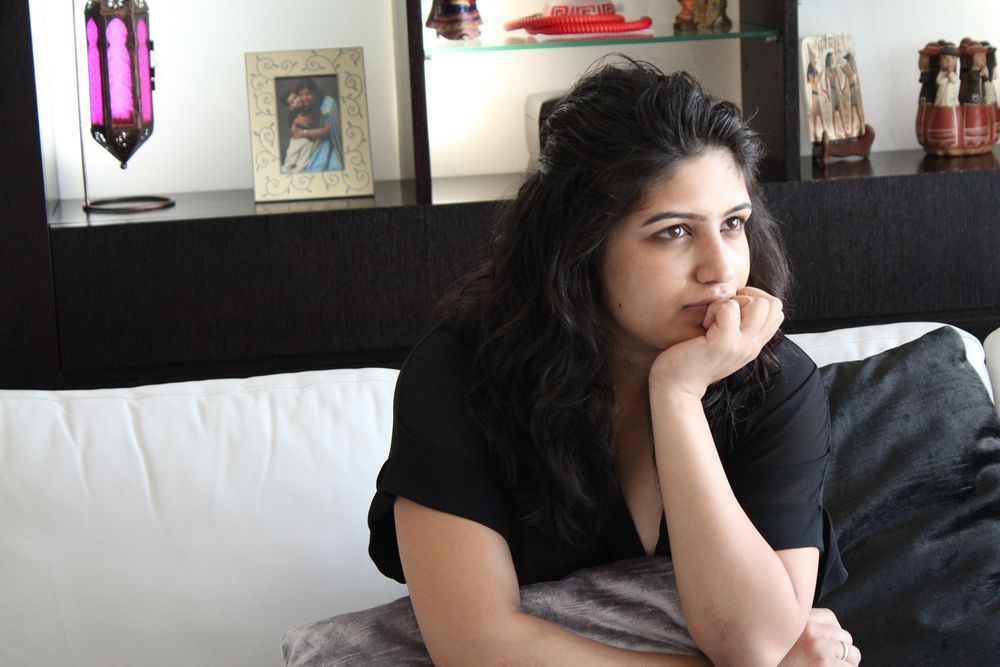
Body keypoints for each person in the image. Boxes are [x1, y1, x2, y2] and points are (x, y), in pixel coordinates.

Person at [368, 57, 859, 666]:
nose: (722, 268)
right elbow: (476, 647)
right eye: (674, 231)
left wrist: (677, 396)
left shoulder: (776, 380)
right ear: (583, 245)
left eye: (733, 223)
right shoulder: (458, 375)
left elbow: (754, 642)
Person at [289, 78, 343, 173]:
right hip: (308, 144)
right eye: (301, 94)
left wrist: (303, 132)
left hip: (328, 144)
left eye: (308, 94)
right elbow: (294, 134)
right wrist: (296, 122)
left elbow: (327, 131)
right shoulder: (301, 105)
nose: (305, 98)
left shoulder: (328, 102)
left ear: (315, 92)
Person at [280, 90, 318, 174]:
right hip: (298, 139)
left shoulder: (308, 106)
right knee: (292, 153)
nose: (296, 100)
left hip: (309, 139)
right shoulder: (293, 113)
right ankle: (287, 167)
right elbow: (292, 129)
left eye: (295, 97)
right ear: (291, 107)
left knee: (305, 157)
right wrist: (296, 122)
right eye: (292, 102)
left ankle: (298, 170)